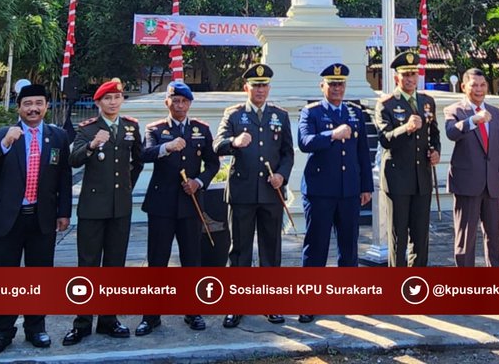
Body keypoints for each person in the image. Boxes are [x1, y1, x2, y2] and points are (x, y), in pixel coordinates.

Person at [0, 84, 72, 356]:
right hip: (8, 218)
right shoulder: (2, 134)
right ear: (19, 107)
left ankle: (36, 328)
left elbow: (64, 177)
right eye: (28, 103)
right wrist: (5, 144)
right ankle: (2, 332)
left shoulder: (57, 137)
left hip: (42, 218)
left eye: (39, 103)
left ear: (46, 106)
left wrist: (64, 212)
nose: (33, 108)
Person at [63, 78, 143, 346]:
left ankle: (109, 319)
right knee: (88, 266)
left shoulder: (131, 127)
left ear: (122, 100)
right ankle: (82, 322)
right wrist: (93, 145)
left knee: (114, 265)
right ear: (98, 103)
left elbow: (138, 160)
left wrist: (127, 186)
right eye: (107, 99)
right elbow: (73, 160)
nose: (112, 102)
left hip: (120, 207)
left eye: (117, 98)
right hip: (93, 207)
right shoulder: (88, 129)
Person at [214, 64, 294, 328]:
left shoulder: (279, 115)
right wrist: (233, 143)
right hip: (242, 193)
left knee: (271, 250)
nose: (260, 90)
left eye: (264, 85)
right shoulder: (234, 115)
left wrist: (281, 176)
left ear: (269, 88)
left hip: (271, 193)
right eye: (255, 85)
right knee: (239, 251)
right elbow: (217, 145)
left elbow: (287, 153)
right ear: (246, 87)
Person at [138, 80, 220, 334]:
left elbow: (213, 164)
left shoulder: (201, 129)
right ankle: (151, 316)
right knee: (157, 261)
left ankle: (192, 311)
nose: (180, 105)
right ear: (167, 103)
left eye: (184, 101)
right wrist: (166, 147)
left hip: (190, 205)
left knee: (191, 260)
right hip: (161, 204)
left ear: (190, 104)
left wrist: (199, 182)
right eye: (175, 101)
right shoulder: (156, 129)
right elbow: (144, 154)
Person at [297, 63, 372, 322]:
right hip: (320, 191)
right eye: (332, 84)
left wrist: (366, 187)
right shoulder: (311, 113)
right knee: (316, 246)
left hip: (349, 190)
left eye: (341, 84)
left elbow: (363, 152)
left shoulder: (355, 113)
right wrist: (331, 134)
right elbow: (305, 142)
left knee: (349, 246)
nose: (337, 88)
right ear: (323, 86)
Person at [374, 51, 441, 268]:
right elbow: (385, 139)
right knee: (398, 235)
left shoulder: (427, 101)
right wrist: (406, 128)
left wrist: (436, 151)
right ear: (397, 78)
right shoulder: (386, 104)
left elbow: (434, 133)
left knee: (421, 235)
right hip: (398, 178)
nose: (410, 79)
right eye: (405, 75)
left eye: (413, 74)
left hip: (422, 178)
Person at [444, 68, 499, 267]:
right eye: (474, 85)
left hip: (493, 184)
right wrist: (472, 121)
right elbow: (451, 133)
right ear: (464, 87)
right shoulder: (455, 110)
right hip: (467, 184)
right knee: (466, 239)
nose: (479, 90)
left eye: (482, 85)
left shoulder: (496, 113)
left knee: (495, 238)